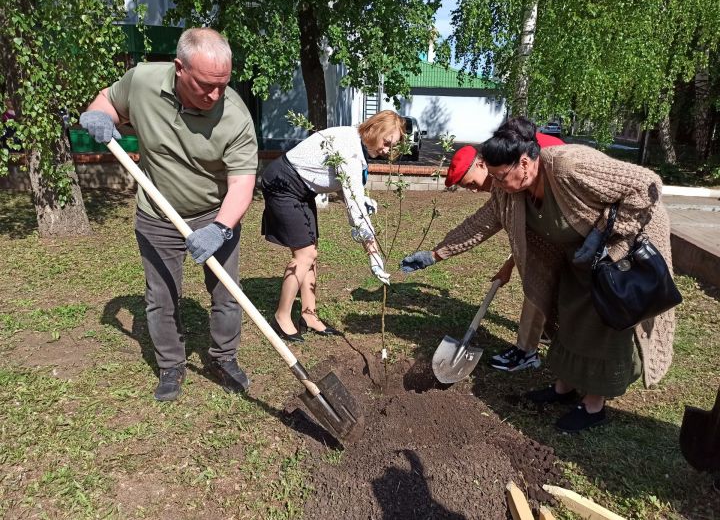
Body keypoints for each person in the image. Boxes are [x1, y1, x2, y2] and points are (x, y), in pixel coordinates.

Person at [402, 117, 675, 432]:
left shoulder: (569, 166)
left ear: (524, 163)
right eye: (492, 177)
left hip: (621, 250)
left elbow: (646, 184)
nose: (496, 186)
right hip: (581, 254)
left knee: (602, 320)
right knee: (568, 311)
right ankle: (564, 388)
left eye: (501, 177)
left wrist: (604, 233)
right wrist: (435, 254)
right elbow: (480, 224)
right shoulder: (509, 190)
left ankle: (593, 406)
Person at [80, 28, 258, 402]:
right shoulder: (143, 81)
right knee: (161, 297)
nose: (215, 95)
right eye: (206, 85)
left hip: (214, 213)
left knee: (227, 294)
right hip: (158, 215)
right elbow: (107, 102)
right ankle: (171, 365)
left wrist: (220, 229)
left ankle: (224, 359)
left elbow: (242, 184)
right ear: (179, 68)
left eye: (223, 85)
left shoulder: (236, 116)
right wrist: (99, 115)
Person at [425, 129, 565, 372]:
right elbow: (482, 225)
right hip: (547, 229)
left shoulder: (526, 167)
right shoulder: (504, 184)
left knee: (540, 278)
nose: (473, 190)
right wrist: (435, 254)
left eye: (471, 183)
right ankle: (542, 333)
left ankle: (527, 351)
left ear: (481, 164)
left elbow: (534, 230)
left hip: (565, 221)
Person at [261, 110, 402, 342]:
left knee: (311, 253)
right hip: (283, 184)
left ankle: (309, 315)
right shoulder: (350, 151)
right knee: (305, 254)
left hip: (303, 189)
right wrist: (374, 255)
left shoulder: (355, 143)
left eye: (392, 146)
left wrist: (362, 200)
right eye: (387, 143)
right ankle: (282, 316)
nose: (387, 151)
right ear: (373, 130)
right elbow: (355, 210)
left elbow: (348, 192)